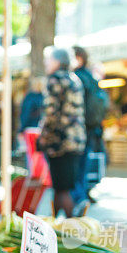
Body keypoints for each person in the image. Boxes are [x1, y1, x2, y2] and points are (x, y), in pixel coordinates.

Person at [37, 48, 86, 218]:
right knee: (60, 187)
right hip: (77, 140)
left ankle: (73, 226)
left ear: (57, 61)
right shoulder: (74, 79)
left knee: (61, 188)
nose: (46, 63)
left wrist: (42, 137)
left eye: (48, 59)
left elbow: (50, 113)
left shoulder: (55, 79)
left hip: (60, 141)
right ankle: (55, 225)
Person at [71, 46, 107, 209]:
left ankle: (78, 197)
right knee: (84, 163)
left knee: (75, 164)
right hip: (93, 128)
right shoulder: (91, 77)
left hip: (79, 128)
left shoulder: (75, 78)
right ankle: (83, 192)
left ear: (78, 58)